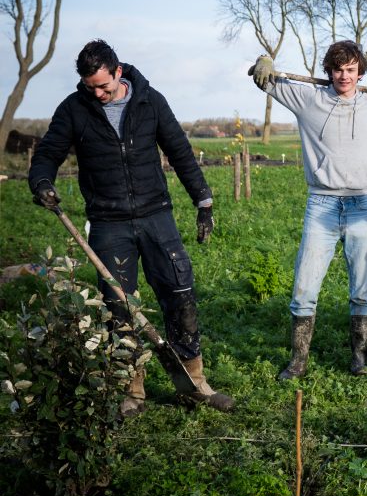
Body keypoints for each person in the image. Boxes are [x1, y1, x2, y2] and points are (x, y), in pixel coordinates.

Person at [29, 39, 233, 416]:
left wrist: (203, 202)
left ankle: (194, 383)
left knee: (180, 293)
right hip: (108, 223)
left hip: (157, 216)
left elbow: (180, 150)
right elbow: (47, 154)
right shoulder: (74, 110)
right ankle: (131, 391)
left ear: (118, 71)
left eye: (104, 86)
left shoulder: (149, 101)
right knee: (117, 306)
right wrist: (41, 182)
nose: (99, 94)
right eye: (91, 88)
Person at [250, 41, 367, 380]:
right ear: (328, 71)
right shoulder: (308, 99)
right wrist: (264, 61)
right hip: (322, 205)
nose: (344, 76)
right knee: (305, 284)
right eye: (337, 69)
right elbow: (266, 81)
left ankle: (359, 357)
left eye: (350, 70)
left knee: (362, 285)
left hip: (362, 204)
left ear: (360, 72)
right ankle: (298, 360)